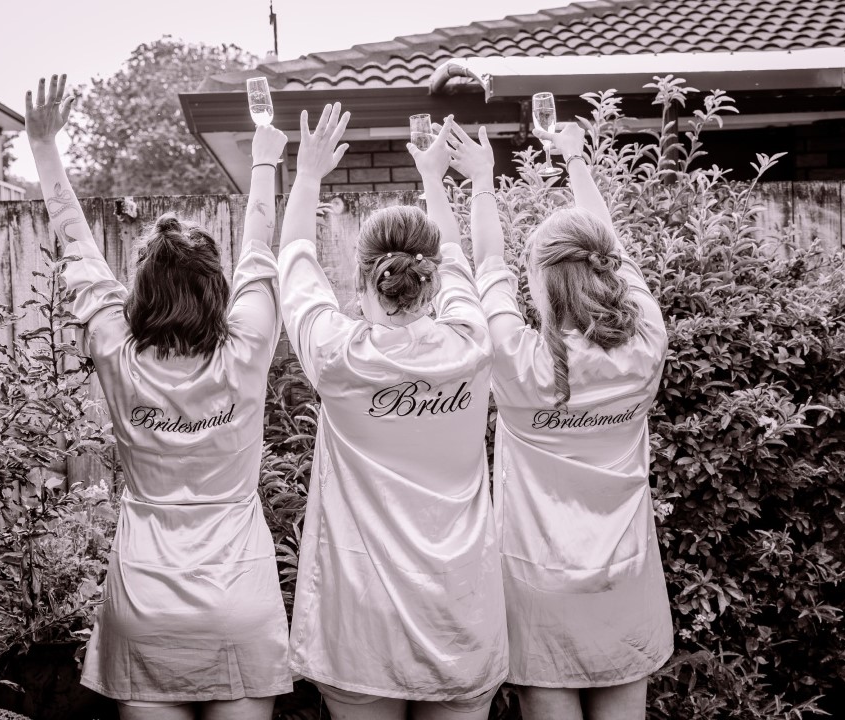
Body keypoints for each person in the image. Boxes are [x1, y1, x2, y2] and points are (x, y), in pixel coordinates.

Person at [25, 75, 293, 720]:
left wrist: (43, 145)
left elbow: (75, 240)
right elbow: (260, 243)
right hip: (239, 596)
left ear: (140, 292)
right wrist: (263, 160)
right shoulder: (247, 348)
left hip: (144, 601)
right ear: (216, 290)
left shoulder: (115, 348)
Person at [276, 104, 508, 720]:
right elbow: (457, 256)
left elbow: (293, 257)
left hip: (360, 619)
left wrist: (306, 175)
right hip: (458, 610)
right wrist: (434, 177)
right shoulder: (472, 342)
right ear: (434, 283)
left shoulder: (336, 354)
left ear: (361, 280)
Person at [448, 120, 673, 720]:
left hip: (538, 586)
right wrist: (575, 160)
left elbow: (485, 261)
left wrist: (482, 182)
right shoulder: (647, 343)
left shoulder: (516, 360)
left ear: (541, 282)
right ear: (606, 270)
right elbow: (615, 248)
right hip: (626, 576)